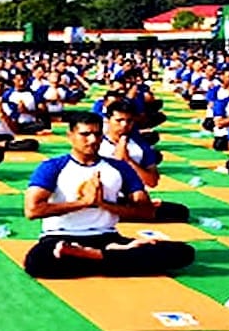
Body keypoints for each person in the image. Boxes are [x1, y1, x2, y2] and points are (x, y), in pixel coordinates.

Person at [21, 114, 196, 278]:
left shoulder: (119, 168)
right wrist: (83, 203)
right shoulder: (53, 167)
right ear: (70, 136)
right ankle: (114, 258)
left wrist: (104, 204)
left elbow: (146, 211)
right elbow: (32, 210)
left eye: (97, 134)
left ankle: (89, 256)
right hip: (61, 237)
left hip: (106, 237)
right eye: (85, 134)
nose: (93, 140)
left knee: (182, 253)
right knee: (37, 261)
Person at [99, 100, 189, 222]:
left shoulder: (140, 146)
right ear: (108, 120)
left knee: (179, 212)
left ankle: (125, 213)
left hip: (133, 198)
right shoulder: (96, 144)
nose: (124, 125)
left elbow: (152, 181)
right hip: (102, 197)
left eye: (129, 121)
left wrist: (128, 160)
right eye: (119, 120)